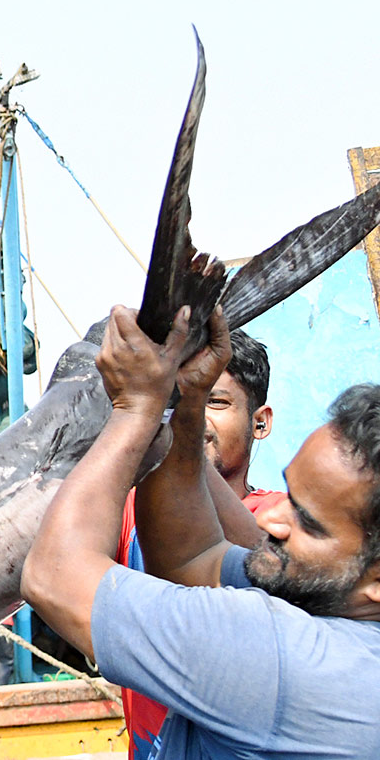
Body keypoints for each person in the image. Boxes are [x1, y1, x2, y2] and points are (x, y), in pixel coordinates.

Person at [22, 305, 380, 759]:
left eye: (307, 522)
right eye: (288, 497)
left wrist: (136, 408)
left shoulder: (286, 661)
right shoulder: (331, 607)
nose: (269, 520)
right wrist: (183, 406)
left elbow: (53, 576)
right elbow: (195, 560)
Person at [115, 328, 282, 757]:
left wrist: (182, 431)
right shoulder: (133, 510)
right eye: (181, 401)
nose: (195, 415)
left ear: (259, 421)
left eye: (215, 401)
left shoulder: (281, 522)